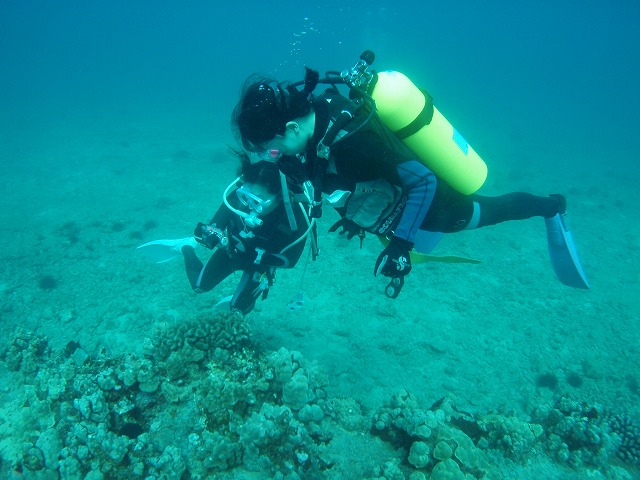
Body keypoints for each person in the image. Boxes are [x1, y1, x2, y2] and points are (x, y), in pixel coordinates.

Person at [230, 60, 587, 296]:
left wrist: (401, 246)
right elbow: (343, 177)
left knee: (493, 211)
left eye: (272, 146)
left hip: (442, 209)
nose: (273, 154)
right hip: (397, 211)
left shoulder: (354, 143)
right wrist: (354, 217)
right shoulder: (317, 122)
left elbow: (424, 182)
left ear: (291, 128)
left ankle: (552, 207)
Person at [138, 156, 313, 314]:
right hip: (232, 250)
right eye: (246, 196)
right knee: (199, 286)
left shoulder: (296, 217)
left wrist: (256, 257)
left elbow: (289, 261)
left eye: (257, 201)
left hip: (262, 263)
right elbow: (212, 227)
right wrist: (207, 234)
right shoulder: (237, 199)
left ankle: (239, 300)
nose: (248, 205)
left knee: (239, 310)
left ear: (280, 197)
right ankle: (185, 246)